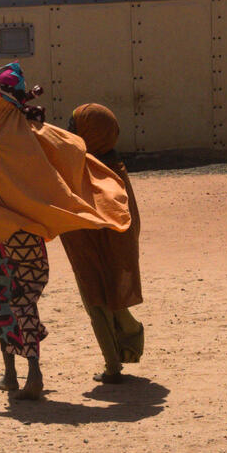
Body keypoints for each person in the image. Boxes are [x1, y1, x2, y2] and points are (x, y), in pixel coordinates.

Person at [0, 62, 131, 399]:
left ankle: (32, 376)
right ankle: (13, 375)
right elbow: (72, 148)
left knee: (14, 303)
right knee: (13, 301)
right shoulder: (35, 133)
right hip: (25, 238)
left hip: (4, 237)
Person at [61, 104, 145, 384]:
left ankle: (114, 364)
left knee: (96, 300)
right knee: (108, 296)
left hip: (95, 246)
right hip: (108, 245)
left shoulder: (93, 169)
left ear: (91, 133)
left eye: (74, 127)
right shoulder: (113, 164)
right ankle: (126, 342)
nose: (69, 131)